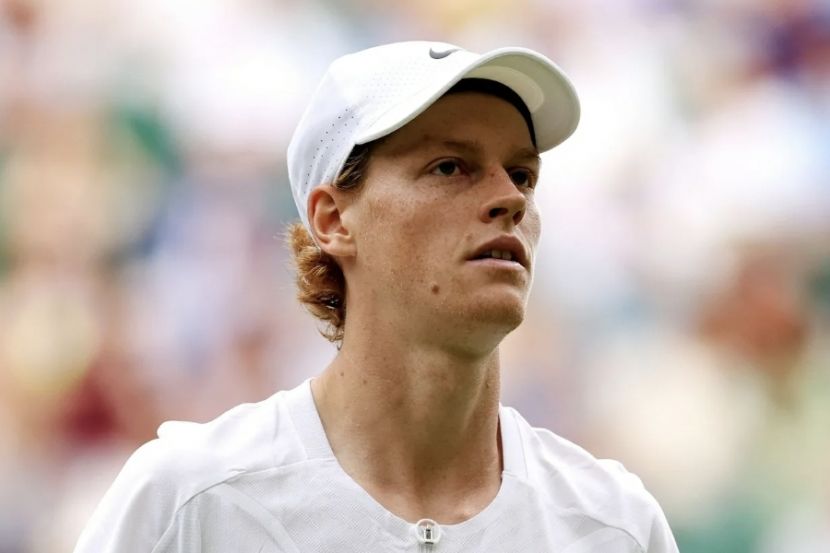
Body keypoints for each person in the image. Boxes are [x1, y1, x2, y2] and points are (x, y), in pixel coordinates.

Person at [74, 41, 679, 552]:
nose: (511, 199)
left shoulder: (618, 526)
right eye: (451, 167)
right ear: (334, 219)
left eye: (522, 175)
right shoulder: (186, 502)